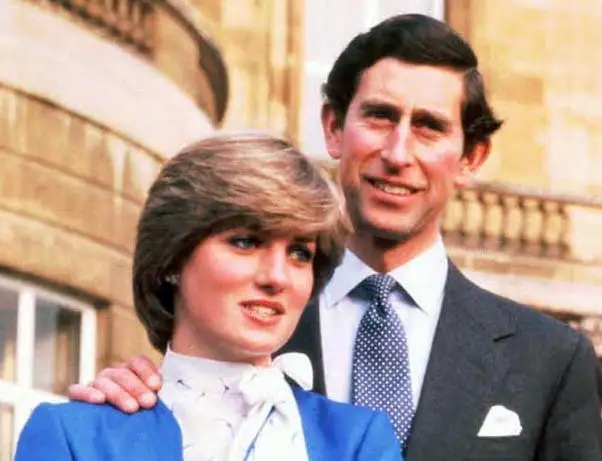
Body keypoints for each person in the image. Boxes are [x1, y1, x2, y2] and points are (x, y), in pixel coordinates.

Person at [68, 14, 602, 461]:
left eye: (428, 127)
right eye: (379, 116)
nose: (397, 152)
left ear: (470, 158)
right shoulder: (246, 314)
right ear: (332, 126)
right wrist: (132, 398)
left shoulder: (552, 361)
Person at [15, 132, 403, 461]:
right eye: (246, 242)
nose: (277, 277)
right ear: (172, 259)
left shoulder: (358, 442)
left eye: (300, 253)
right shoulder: (75, 437)